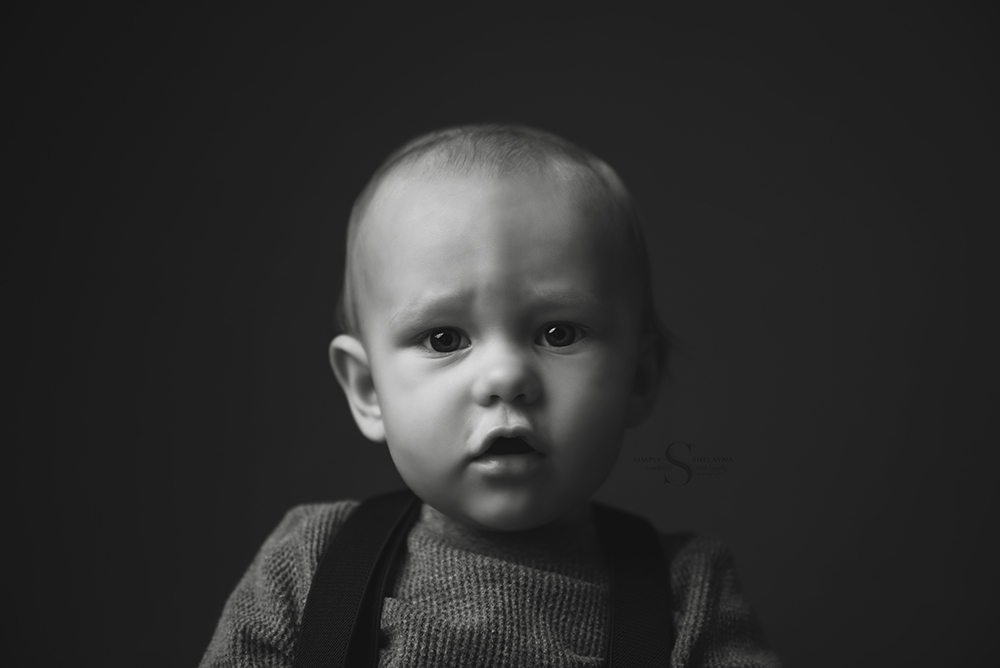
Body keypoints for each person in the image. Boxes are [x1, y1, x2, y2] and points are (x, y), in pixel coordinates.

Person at [200, 124, 780, 667]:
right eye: (444, 338)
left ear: (639, 378)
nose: (505, 377)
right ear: (368, 388)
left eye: (558, 333)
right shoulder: (310, 565)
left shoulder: (687, 594)